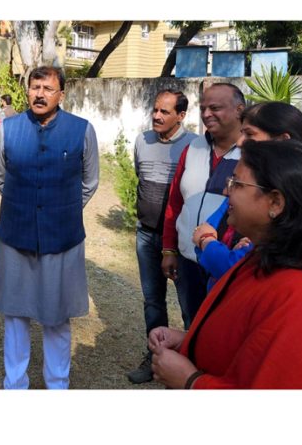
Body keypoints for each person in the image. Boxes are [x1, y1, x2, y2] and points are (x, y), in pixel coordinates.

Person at [149, 140, 302, 389]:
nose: (227, 192)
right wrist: (191, 342)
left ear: (276, 203)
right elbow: (250, 340)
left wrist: (190, 380)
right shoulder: (265, 259)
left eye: (237, 183)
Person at [0, 66, 99, 389]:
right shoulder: (8, 128)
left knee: (57, 316)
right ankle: (15, 384)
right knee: (15, 314)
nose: (39, 94)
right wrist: (27, 208)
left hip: (62, 237)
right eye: (34, 87)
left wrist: (59, 210)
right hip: (15, 233)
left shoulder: (82, 130)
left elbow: (90, 181)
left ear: (61, 95)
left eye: (47, 88)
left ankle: (57, 385)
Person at [192, 101, 302, 290]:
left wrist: (208, 243)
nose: (240, 142)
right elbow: (202, 233)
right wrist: (207, 242)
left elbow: (236, 267)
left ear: (276, 202)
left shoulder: (301, 202)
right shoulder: (248, 179)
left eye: (249, 134)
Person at [160, 83, 244, 328]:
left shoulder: (251, 154)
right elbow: (175, 202)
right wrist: (169, 249)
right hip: (188, 259)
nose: (206, 114)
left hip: (225, 262)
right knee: (192, 323)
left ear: (239, 110)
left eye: (215, 107)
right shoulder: (193, 148)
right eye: (204, 108)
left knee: (221, 328)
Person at [127, 89, 197, 384]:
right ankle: (155, 357)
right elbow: (140, 178)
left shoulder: (195, 147)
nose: (156, 116)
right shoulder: (142, 141)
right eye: (155, 110)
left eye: (165, 112)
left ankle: (191, 362)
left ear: (181, 116)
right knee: (153, 300)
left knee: (189, 304)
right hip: (146, 235)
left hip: (181, 242)